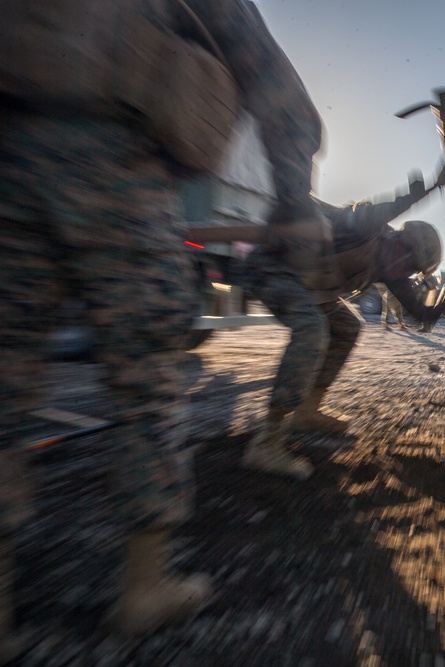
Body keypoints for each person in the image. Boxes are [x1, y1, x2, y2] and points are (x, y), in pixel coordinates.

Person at [0, 0, 324, 647]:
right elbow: (275, 85)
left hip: (15, 154)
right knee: (150, 380)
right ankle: (143, 587)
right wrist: (293, 196)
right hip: (118, 165)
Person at [242, 169, 445, 480]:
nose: (409, 274)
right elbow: (390, 207)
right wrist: (433, 186)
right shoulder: (366, 228)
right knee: (312, 328)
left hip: (310, 289)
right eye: (412, 265)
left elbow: (420, 314)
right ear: (401, 244)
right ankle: (266, 441)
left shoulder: (391, 269)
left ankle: (307, 410)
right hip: (273, 267)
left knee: (346, 326)